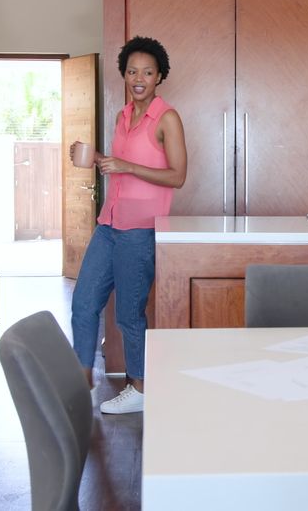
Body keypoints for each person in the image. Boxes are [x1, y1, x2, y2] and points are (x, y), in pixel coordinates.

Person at [70, 36, 187, 414]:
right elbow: (119, 170)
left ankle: (140, 387)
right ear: (124, 74)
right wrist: (97, 159)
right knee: (84, 303)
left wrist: (126, 166)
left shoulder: (167, 118)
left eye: (148, 72)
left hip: (140, 231)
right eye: (133, 71)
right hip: (109, 224)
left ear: (159, 77)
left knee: (128, 313)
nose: (139, 78)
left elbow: (177, 176)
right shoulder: (123, 116)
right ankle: (80, 379)